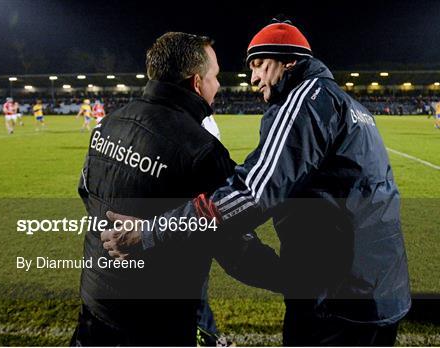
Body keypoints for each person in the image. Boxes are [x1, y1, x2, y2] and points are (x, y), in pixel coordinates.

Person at [102, 19, 411, 346]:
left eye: (261, 65)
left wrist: (152, 231)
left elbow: (252, 193)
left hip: (336, 300)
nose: (253, 78)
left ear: (289, 61)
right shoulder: (351, 105)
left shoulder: (305, 98)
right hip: (382, 289)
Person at [71, 32, 282, 346]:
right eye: (214, 76)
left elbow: (86, 190)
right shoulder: (202, 151)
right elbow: (237, 252)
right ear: (197, 83)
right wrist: (293, 277)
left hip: (96, 302)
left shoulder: (109, 123)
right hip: (156, 320)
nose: (219, 85)